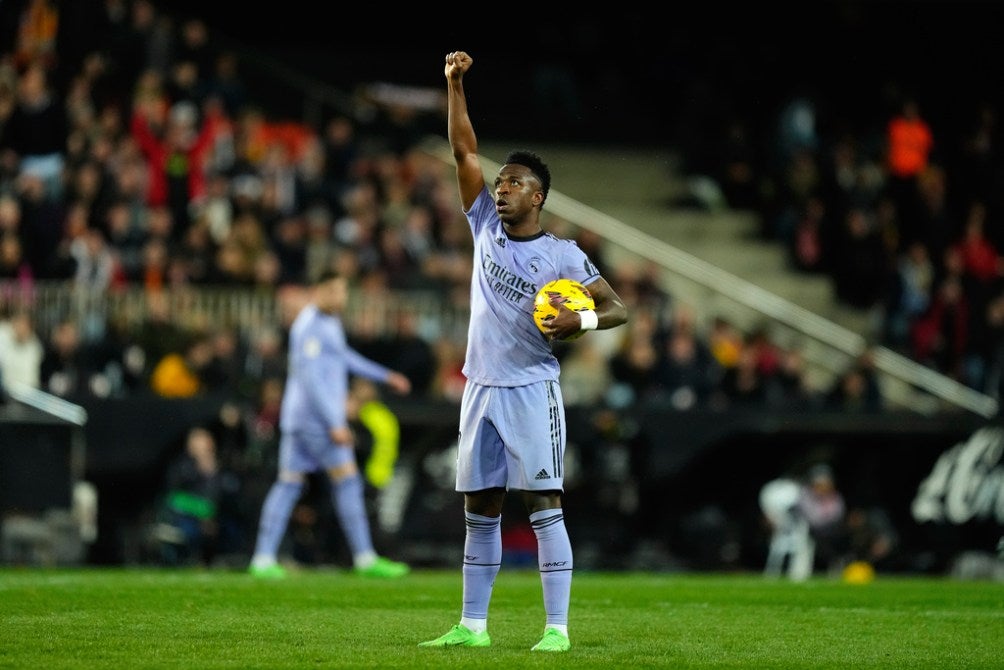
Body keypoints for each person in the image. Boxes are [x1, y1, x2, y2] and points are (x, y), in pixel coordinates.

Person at [418, 51, 628, 653]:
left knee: (544, 504)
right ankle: (473, 627)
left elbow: (618, 308)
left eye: (514, 183)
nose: (501, 188)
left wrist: (579, 317)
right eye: (501, 180)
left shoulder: (563, 257)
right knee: (479, 509)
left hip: (534, 388)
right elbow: (462, 151)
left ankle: (556, 631)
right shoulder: (482, 222)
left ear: (538, 197)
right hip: (480, 385)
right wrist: (455, 86)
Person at [248, 270, 412, 579]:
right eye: (334, 291)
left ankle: (262, 558)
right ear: (318, 291)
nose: (341, 297)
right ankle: (364, 558)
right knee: (348, 482)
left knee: (289, 484)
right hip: (314, 422)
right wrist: (335, 422)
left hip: (298, 419)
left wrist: (385, 375)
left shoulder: (328, 323)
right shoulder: (309, 326)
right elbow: (311, 380)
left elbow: (344, 357)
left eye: (343, 291)